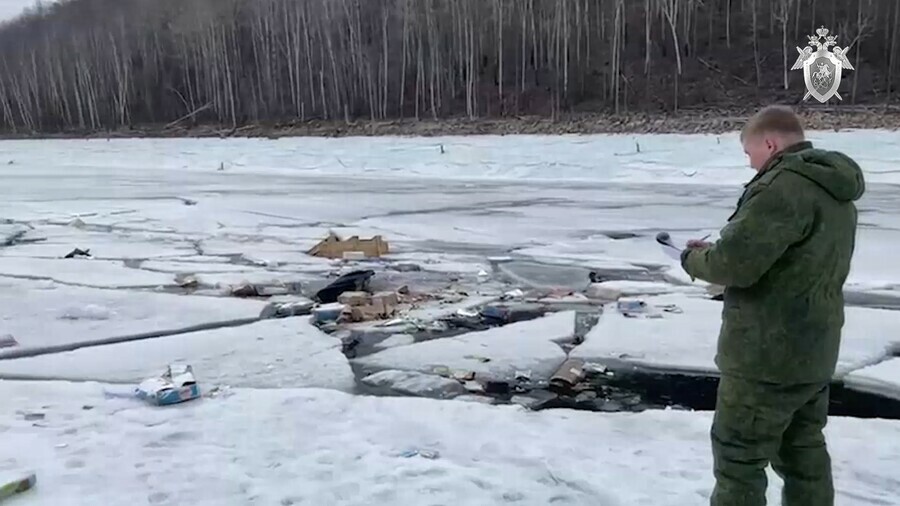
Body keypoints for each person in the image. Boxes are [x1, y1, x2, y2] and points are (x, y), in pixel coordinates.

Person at [680, 105, 865, 506]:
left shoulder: (782, 187)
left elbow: (734, 265)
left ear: (769, 142)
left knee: (738, 458)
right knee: (803, 453)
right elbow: (788, 257)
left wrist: (694, 259)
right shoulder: (835, 190)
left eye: (750, 155)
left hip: (764, 356)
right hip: (813, 350)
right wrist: (723, 250)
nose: (751, 165)